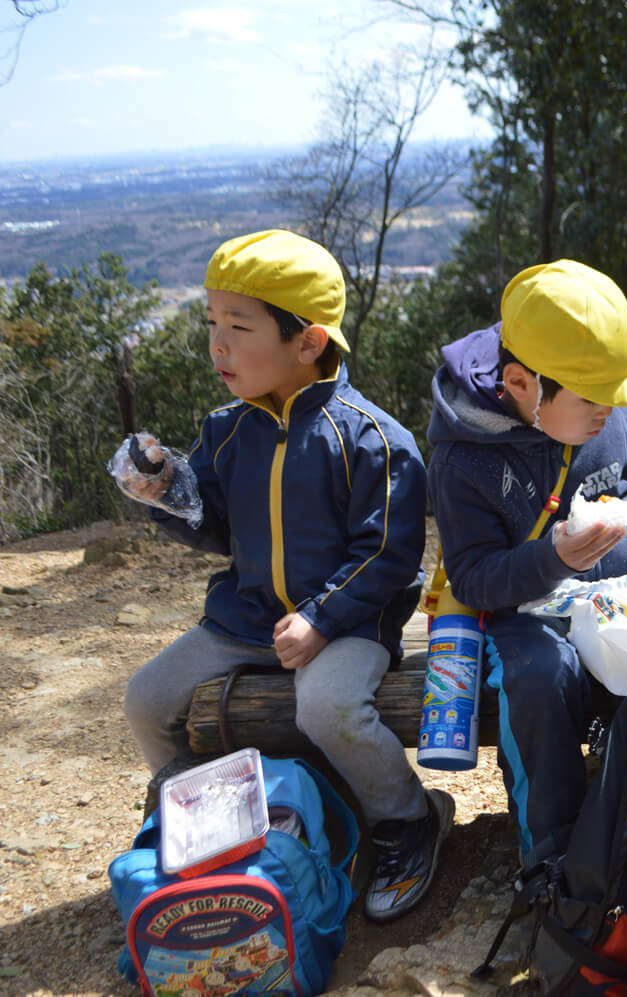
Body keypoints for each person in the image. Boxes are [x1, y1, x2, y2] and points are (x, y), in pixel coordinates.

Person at [119, 229, 450, 923]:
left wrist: (323, 617)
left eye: (240, 327)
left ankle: (408, 817)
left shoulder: (371, 438)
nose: (219, 345)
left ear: (309, 341)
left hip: (351, 624)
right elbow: (210, 523)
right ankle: (207, 818)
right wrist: (163, 492)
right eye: (212, 324)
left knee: (325, 706)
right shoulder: (226, 430)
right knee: (148, 697)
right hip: (244, 619)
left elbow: (390, 552)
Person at [425, 259, 627, 861]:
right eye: (594, 402)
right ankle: (553, 854)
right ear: (523, 384)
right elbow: (472, 577)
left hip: (619, 592)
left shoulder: (598, 401)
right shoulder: (463, 460)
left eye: (614, 398)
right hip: (520, 611)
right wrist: (551, 558)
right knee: (541, 681)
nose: (609, 412)